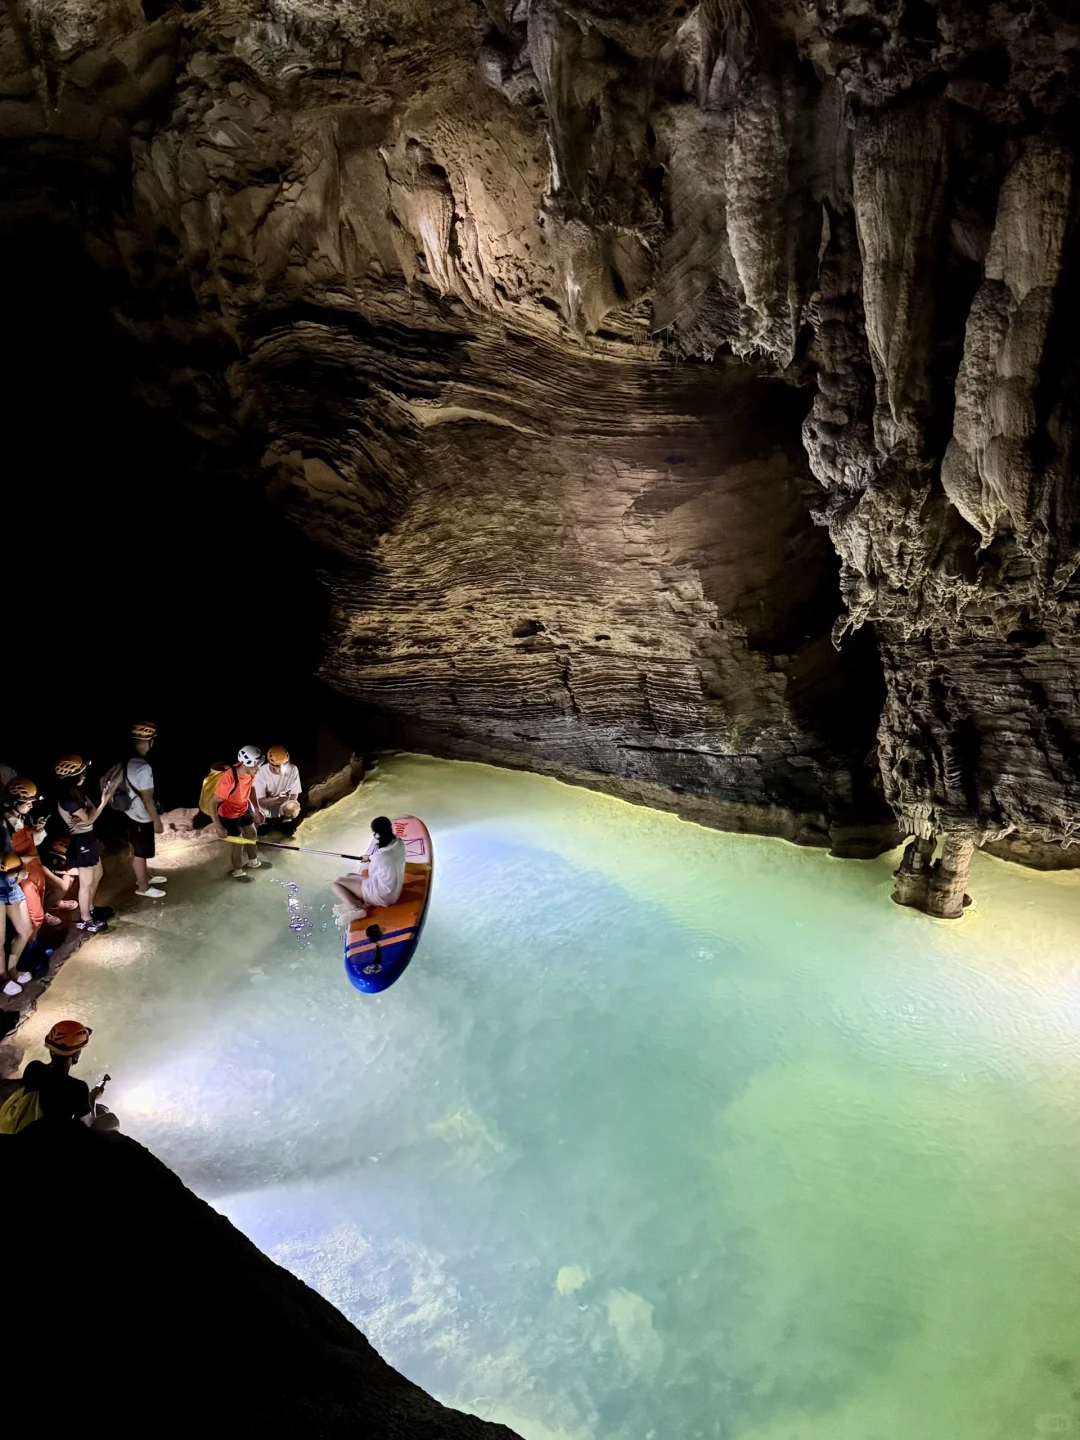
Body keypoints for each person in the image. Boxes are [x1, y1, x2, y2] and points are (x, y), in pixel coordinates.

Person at [5, 1020, 117, 1131]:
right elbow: (86, 1123)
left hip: (18, 1126)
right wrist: (93, 1098)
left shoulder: (34, 1067)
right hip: (43, 1137)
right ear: (76, 1055)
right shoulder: (77, 1087)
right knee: (111, 1120)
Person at [55, 755, 118, 933]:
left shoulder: (77, 792)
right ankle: (85, 919)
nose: (84, 775)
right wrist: (103, 802)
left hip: (88, 837)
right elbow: (90, 818)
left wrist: (91, 814)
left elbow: (89, 814)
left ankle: (90, 908)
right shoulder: (67, 799)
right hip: (81, 841)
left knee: (98, 873)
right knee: (86, 882)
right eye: (81, 772)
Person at [114, 721, 168, 899]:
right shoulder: (143, 767)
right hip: (139, 817)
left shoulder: (127, 761)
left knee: (137, 849)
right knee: (140, 853)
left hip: (127, 812)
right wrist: (157, 821)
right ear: (150, 741)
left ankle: (144, 877)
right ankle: (143, 887)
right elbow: (148, 799)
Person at [3, 777, 64, 933]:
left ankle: (37, 939)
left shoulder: (24, 817)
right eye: (27, 802)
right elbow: (5, 859)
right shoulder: (4, 825)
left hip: (34, 868)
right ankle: (30, 951)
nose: (31, 805)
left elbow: (32, 842)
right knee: (33, 917)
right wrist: (21, 860)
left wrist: (37, 829)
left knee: (44, 903)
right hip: (21, 875)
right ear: (15, 802)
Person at [332, 816, 406, 926]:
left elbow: (372, 875)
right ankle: (360, 903)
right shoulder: (399, 843)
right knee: (349, 875)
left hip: (382, 895)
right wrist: (369, 857)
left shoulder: (380, 856)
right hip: (394, 892)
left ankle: (356, 908)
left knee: (336, 883)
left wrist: (372, 858)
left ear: (377, 834)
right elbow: (385, 858)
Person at [210, 746, 266, 881]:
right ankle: (238, 872)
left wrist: (257, 810)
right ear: (246, 763)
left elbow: (251, 790)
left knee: (252, 834)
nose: (258, 769)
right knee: (239, 842)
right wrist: (218, 826)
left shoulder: (250, 772)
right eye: (256, 766)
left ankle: (253, 862)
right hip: (228, 814)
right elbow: (211, 802)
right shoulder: (228, 778)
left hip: (243, 808)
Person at [0, 850, 33, 996]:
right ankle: (3, 978)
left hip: (12, 881)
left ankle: (12, 970)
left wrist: (18, 863)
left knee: (26, 930)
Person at [254, 745, 302, 836]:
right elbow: (260, 801)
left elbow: (294, 793)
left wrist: (287, 801)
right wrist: (277, 799)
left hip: (282, 803)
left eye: (285, 765)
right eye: (277, 766)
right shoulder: (261, 772)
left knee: (293, 807)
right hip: (265, 805)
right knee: (252, 811)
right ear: (270, 764)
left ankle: (286, 820)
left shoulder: (293, 769)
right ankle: (263, 822)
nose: (281, 769)